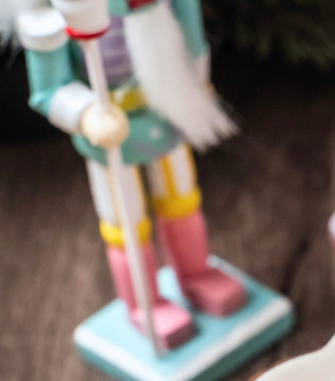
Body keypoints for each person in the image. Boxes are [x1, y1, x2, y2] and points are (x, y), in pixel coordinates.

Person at [14, 0, 245, 346]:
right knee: (125, 223)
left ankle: (196, 273)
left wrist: (197, 80)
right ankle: (143, 302)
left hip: (167, 114)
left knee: (181, 200)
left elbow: (192, 39)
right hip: (107, 140)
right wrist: (87, 115)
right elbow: (48, 91)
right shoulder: (47, 15)